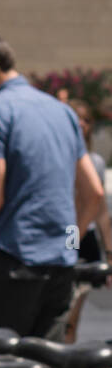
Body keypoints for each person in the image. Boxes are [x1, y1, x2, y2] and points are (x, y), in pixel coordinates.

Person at [0, 33, 106, 338]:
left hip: (12, 257)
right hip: (60, 265)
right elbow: (94, 193)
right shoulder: (63, 113)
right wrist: (69, 240)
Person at [64, 99, 112, 341]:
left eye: (87, 120)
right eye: (76, 118)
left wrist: (110, 254)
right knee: (58, 315)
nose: (81, 124)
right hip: (59, 238)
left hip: (79, 239)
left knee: (71, 317)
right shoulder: (56, 155)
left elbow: (100, 208)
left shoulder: (95, 161)